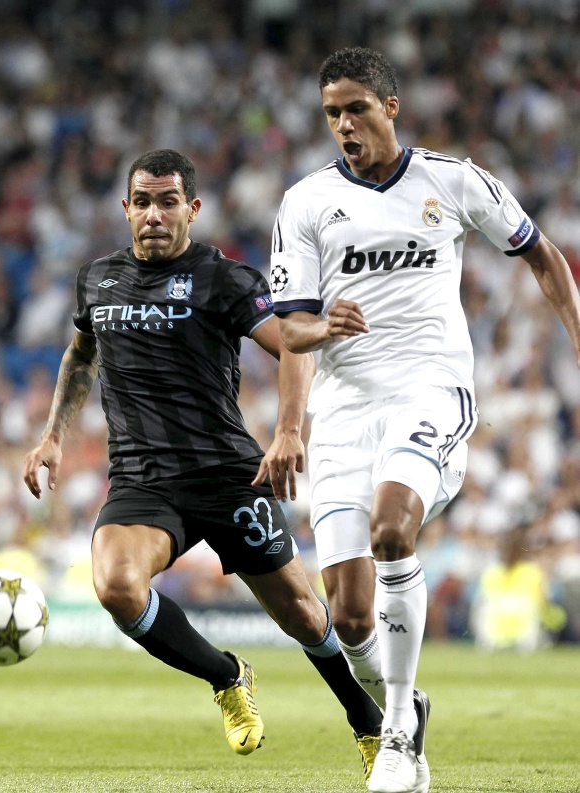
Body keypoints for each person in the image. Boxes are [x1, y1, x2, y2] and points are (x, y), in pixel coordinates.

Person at [269, 47, 580, 793]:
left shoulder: (454, 180)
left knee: (391, 529)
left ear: (391, 107)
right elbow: (290, 328)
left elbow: (542, 254)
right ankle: (407, 699)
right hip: (344, 412)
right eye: (332, 114)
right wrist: (294, 412)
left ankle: (399, 733)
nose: (344, 125)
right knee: (348, 618)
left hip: (429, 390)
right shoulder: (306, 202)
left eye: (356, 109)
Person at [23, 148, 384, 773]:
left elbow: (292, 347)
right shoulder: (97, 278)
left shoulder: (225, 279)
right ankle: (227, 676)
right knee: (116, 587)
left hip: (227, 476)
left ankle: (368, 720)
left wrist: (288, 430)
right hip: (142, 480)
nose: (154, 215)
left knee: (302, 614)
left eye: (168, 202)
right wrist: (53, 435)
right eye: (142, 202)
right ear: (126, 208)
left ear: (192, 208)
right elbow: (82, 353)